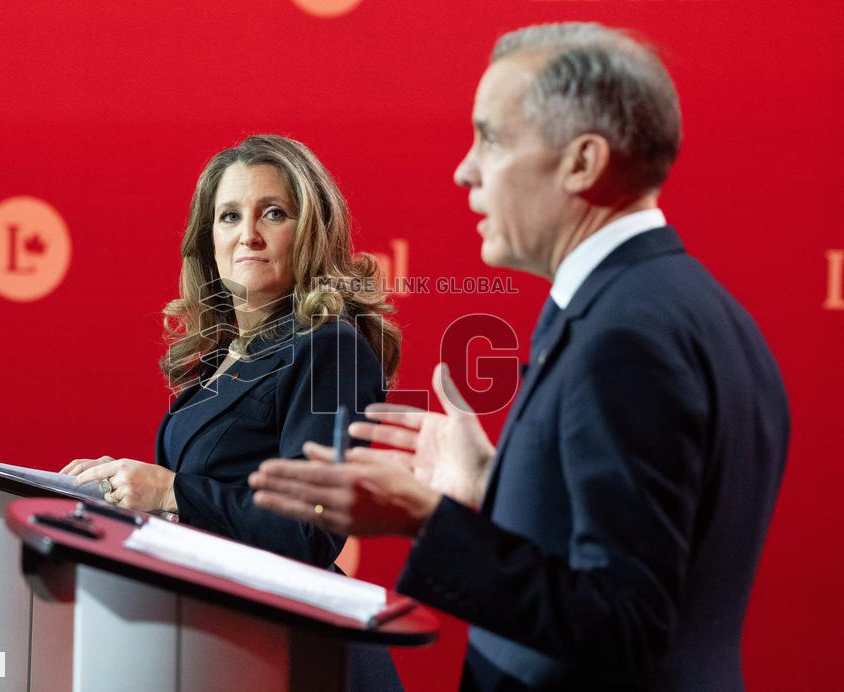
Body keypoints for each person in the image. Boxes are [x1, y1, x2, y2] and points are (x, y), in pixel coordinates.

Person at [249, 23, 790, 691]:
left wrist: (427, 519)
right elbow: (632, 546)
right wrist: (491, 489)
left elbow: (623, 622)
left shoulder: (628, 336)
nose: (464, 168)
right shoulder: (692, 308)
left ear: (583, 163)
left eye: (492, 138)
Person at [62, 134, 404, 690]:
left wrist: (172, 491)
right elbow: (208, 493)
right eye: (228, 216)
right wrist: (123, 488)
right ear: (209, 239)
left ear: (310, 232)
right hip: (225, 645)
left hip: (299, 658)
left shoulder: (329, 346)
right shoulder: (226, 355)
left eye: (273, 213)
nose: (248, 235)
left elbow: (310, 528)